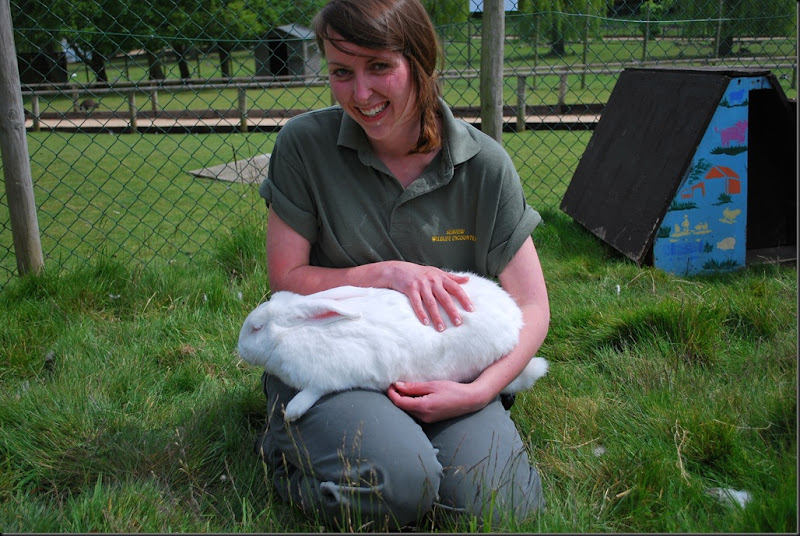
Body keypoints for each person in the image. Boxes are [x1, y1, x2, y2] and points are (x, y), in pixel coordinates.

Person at [254, 0, 550, 530]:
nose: (360, 94)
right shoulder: (304, 146)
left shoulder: (484, 167)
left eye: (379, 67)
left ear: (421, 62)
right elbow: (287, 279)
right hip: (334, 364)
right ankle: (284, 451)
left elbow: (532, 304)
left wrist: (480, 391)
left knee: (502, 504)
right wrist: (386, 272)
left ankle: (408, 445)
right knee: (400, 486)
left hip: (443, 368)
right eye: (342, 72)